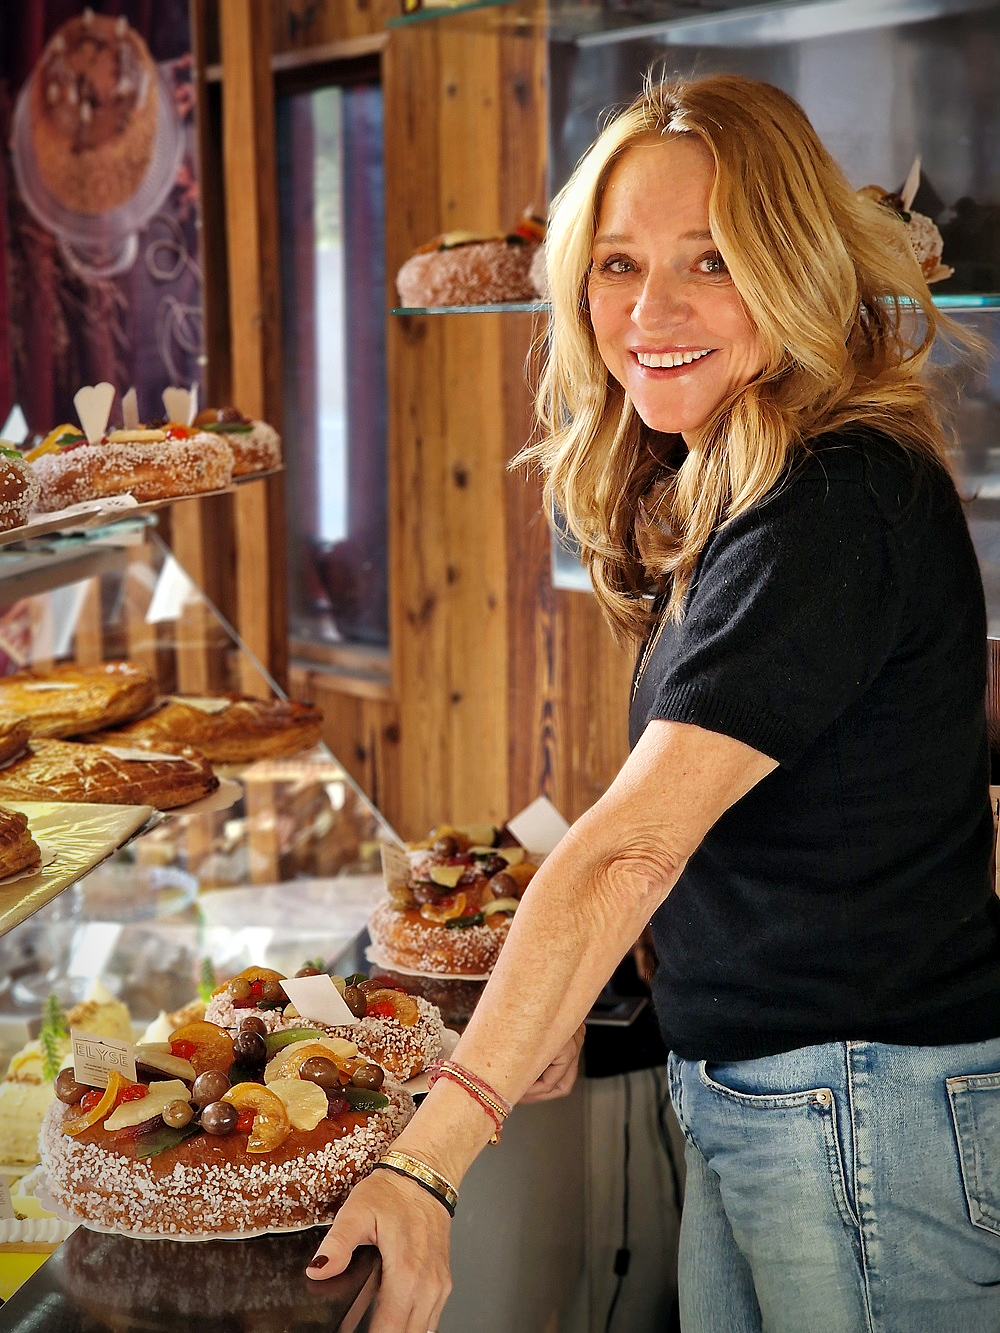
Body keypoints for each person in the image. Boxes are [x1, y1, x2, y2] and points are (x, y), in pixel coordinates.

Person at [307, 70, 1000, 1333]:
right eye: (618, 263)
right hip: (789, 1096)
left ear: (792, 269)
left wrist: (426, 1158)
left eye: (712, 261)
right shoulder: (760, 480)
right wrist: (557, 995)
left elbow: (631, 843)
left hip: (857, 1114)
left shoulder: (832, 501)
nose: (651, 310)